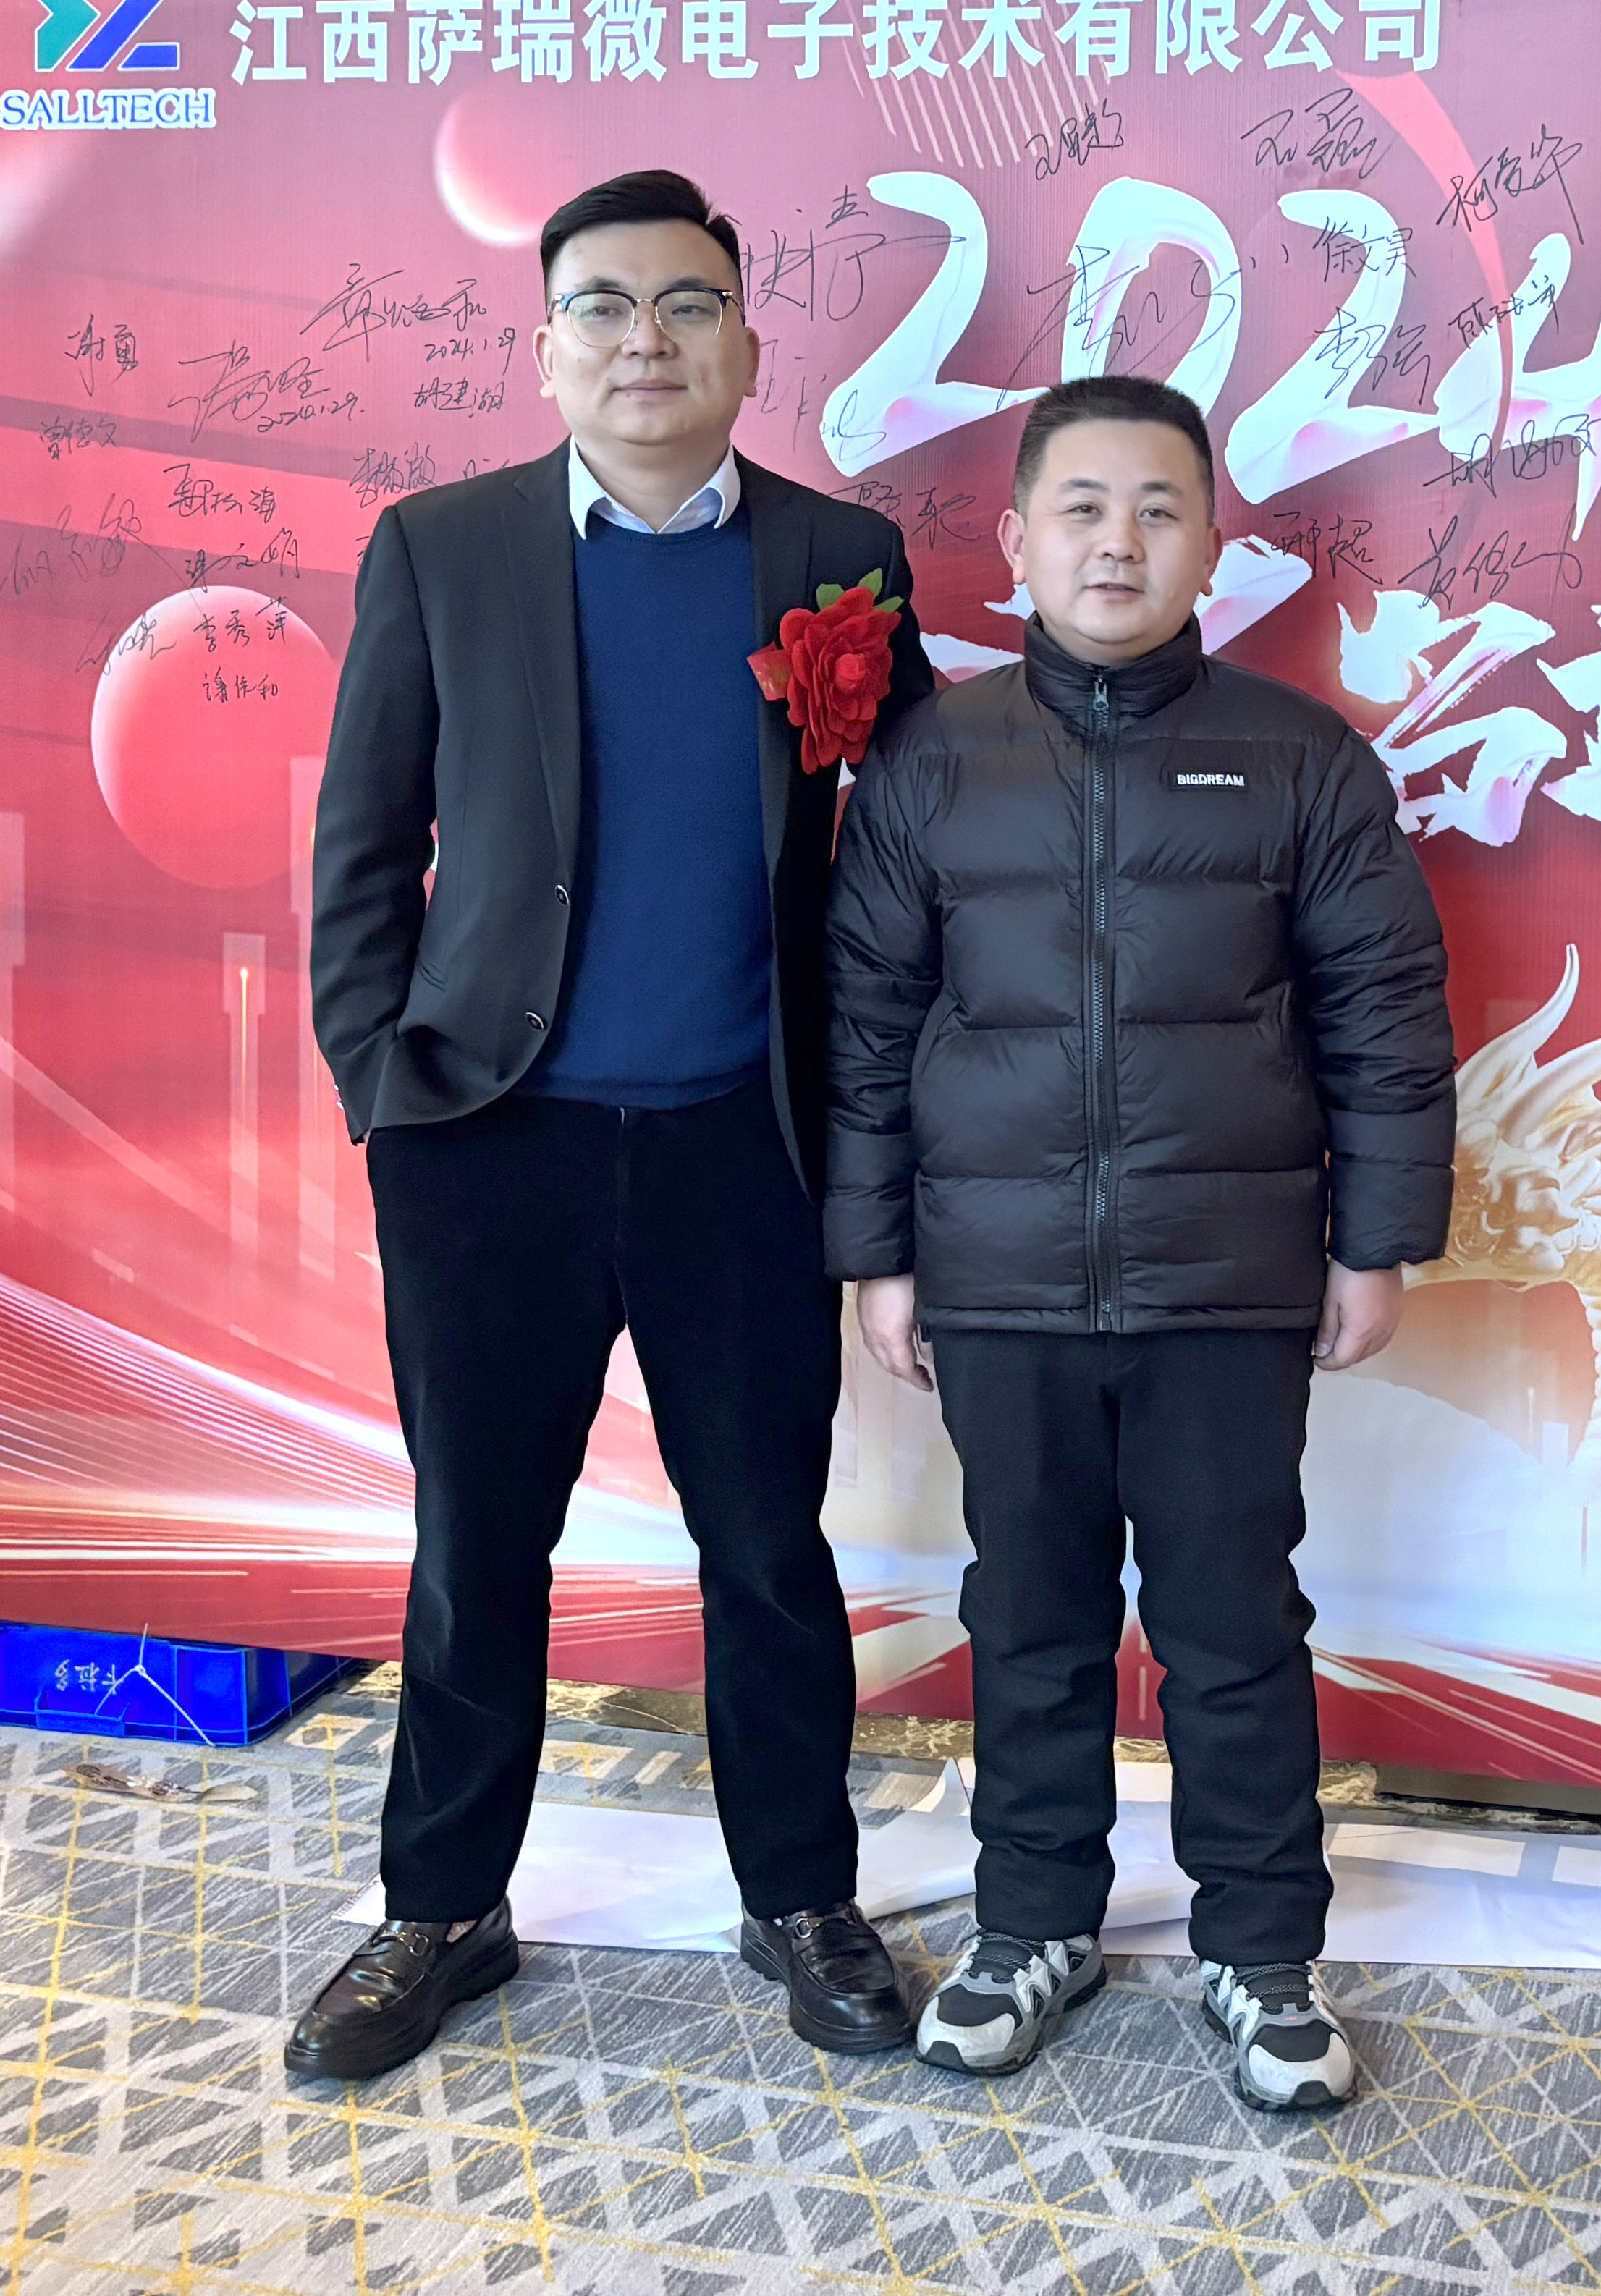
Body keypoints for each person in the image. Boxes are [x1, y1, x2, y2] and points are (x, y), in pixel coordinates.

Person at [294, 168, 936, 2080]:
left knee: (768, 1545)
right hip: (492, 1144)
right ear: (546, 347)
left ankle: (800, 1896)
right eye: (603, 306)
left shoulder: (841, 557)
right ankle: (441, 1907)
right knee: (478, 1540)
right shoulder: (444, 548)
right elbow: (361, 846)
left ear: (746, 343)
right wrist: (385, 1093)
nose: (644, 339)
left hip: (747, 1145)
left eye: (685, 305)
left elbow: (897, 862)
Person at [824, 372, 1453, 2111]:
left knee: (1231, 1625)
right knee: (1024, 1617)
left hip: (1224, 1279)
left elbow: (1384, 1014)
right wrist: (879, 1253)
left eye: (1159, 509)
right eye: (1083, 508)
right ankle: (1033, 1921)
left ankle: (1262, 1948)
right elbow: (866, 1024)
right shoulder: (931, 760)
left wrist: (1376, 1238)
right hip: (997, 1278)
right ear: (1016, 539)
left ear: (1212, 545)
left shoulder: (1300, 757)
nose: (1119, 542)